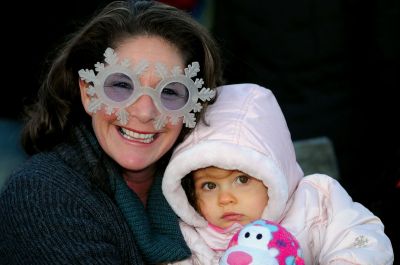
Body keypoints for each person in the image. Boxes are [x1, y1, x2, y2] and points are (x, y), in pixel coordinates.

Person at [0, 0, 224, 264]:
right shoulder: (41, 195)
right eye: (121, 85)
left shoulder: (213, 184)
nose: (144, 112)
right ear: (87, 91)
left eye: (170, 92)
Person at [162, 83, 394, 264]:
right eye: (210, 186)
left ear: (273, 174)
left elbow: (360, 238)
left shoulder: (315, 203)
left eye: (242, 180)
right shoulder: (191, 238)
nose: (225, 199)